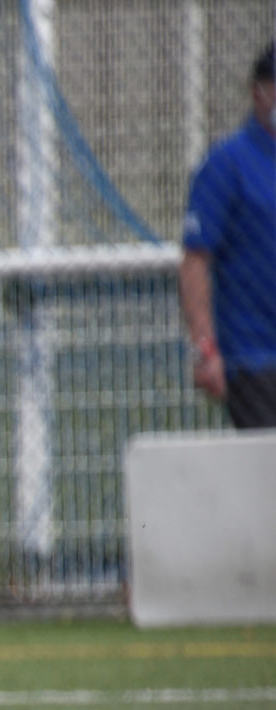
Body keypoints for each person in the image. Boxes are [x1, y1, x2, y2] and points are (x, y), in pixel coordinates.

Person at [182, 44, 276, 430]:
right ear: (259, 92)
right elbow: (195, 261)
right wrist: (205, 349)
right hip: (254, 359)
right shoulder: (227, 164)